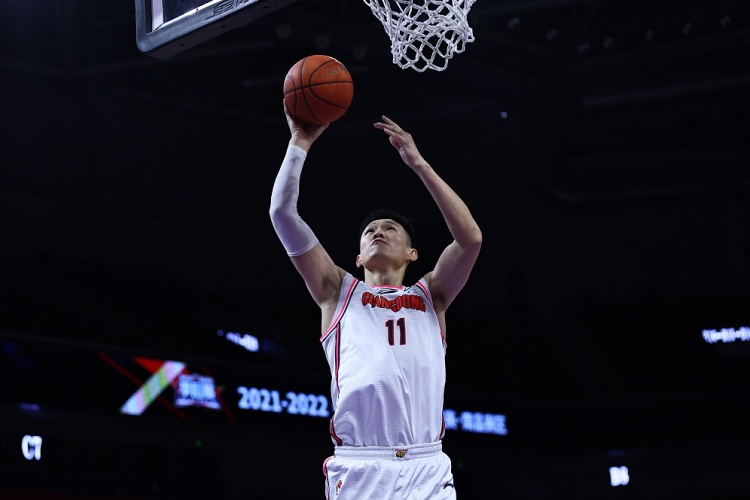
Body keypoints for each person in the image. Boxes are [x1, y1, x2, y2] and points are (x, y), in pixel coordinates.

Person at [269, 103, 482, 499]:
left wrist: (420, 165)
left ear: (412, 255)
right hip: (362, 465)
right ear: (358, 257)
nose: (378, 232)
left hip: (427, 464)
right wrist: (299, 142)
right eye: (370, 230)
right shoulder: (338, 291)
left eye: (390, 229)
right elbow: (282, 213)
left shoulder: (432, 296)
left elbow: (470, 239)